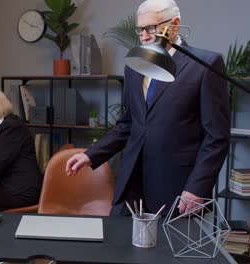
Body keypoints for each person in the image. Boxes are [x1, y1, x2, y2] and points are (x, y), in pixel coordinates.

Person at [66, 0, 229, 216]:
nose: (144, 36)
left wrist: (197, 187)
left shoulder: (204, 64)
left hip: (177, 188)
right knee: (119, 245)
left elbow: (216, 137)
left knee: (166, 250)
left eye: (150, 28)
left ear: (175, 24)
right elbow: (128, 124)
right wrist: (91, 154)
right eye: (140, 30)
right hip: (131, 182)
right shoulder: (135, 67)